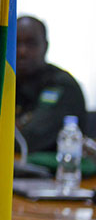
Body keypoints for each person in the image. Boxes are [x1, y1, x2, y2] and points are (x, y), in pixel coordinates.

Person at [16, 15, 86, 153]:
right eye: (16, 43)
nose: (22, 51)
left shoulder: (62, 85)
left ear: (45, 46)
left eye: (31, 43)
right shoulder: (6, 83)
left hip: (57, 172)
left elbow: (27, 140)